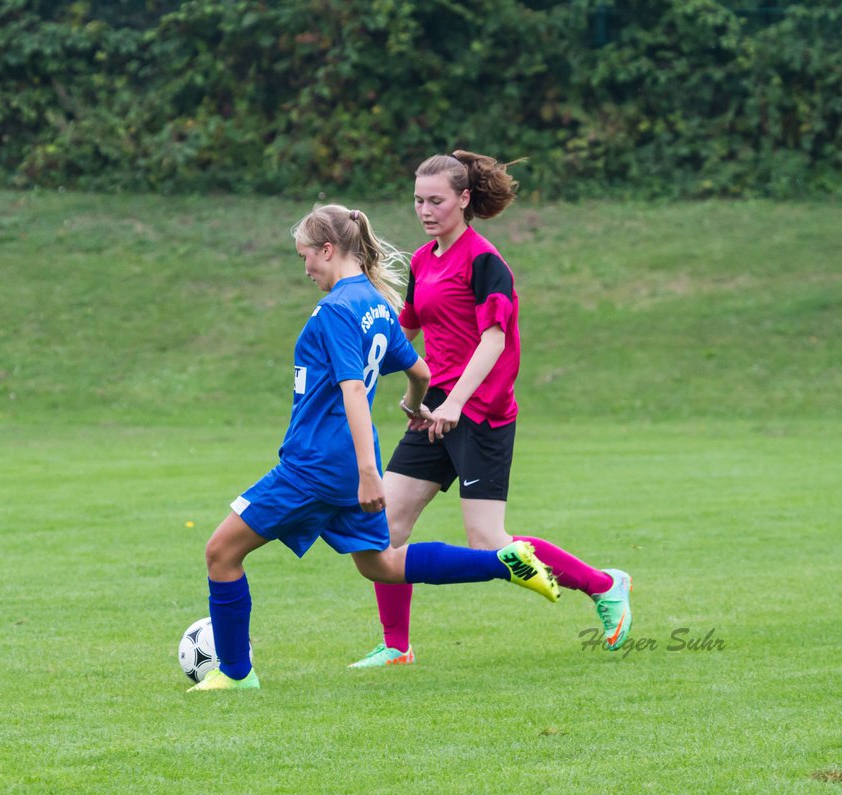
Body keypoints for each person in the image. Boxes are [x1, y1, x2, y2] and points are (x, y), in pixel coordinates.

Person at [190, 204, 561, 692]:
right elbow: (422, 371)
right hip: (341, 467)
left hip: (314, 466)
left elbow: (351, 394)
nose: (305, 270)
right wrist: (414, 406)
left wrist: (371, 472)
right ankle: (501, 562)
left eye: (307, 258)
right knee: (381, 564)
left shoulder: (335, 311)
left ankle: (236, 674)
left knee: (220, 553)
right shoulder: (373, 302)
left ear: (328, 249)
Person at [348, 150, 633, 669]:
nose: (426, 210)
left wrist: (456, 402)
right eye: (418, 200)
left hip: (479, 412)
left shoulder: (485, 261)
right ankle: (396, 647)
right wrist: (364, 363)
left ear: (464, 199)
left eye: (436, 201)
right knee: (383, 529)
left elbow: (494, 340)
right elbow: (406, 330)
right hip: (434, 411)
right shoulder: (421, 260)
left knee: (487, 543)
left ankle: (605, 584)